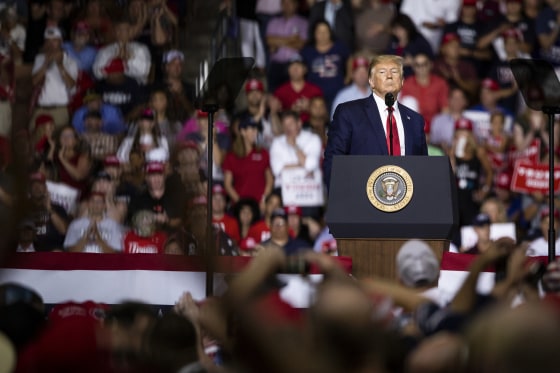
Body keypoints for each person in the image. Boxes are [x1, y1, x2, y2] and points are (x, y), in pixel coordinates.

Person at [323, 54, 428, 188]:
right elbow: (334, 160)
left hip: (407, 201)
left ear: (402, 82)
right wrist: (339, 200)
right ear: (371, 81)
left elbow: (423, 167)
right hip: (360, 199)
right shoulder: (349, 113)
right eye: (383, 72)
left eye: (395, 72)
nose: (389, 76)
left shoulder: (415, 120)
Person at [222, 117, 273, 208]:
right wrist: (241, 203)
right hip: (240, 205)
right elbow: (228, 184)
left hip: (259, 205)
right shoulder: (232, 156)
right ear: (242, 131)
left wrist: (264, 199)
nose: (255, 132)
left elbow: (269, 180)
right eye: (252, 129)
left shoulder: (263, 153)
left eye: (256, 129)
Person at [330, 55, 371, 119]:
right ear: (352, 74)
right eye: (358, 72)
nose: (362, 75)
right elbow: (335, 119)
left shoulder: (375, 93)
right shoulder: (343, 96)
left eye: (364, 72)